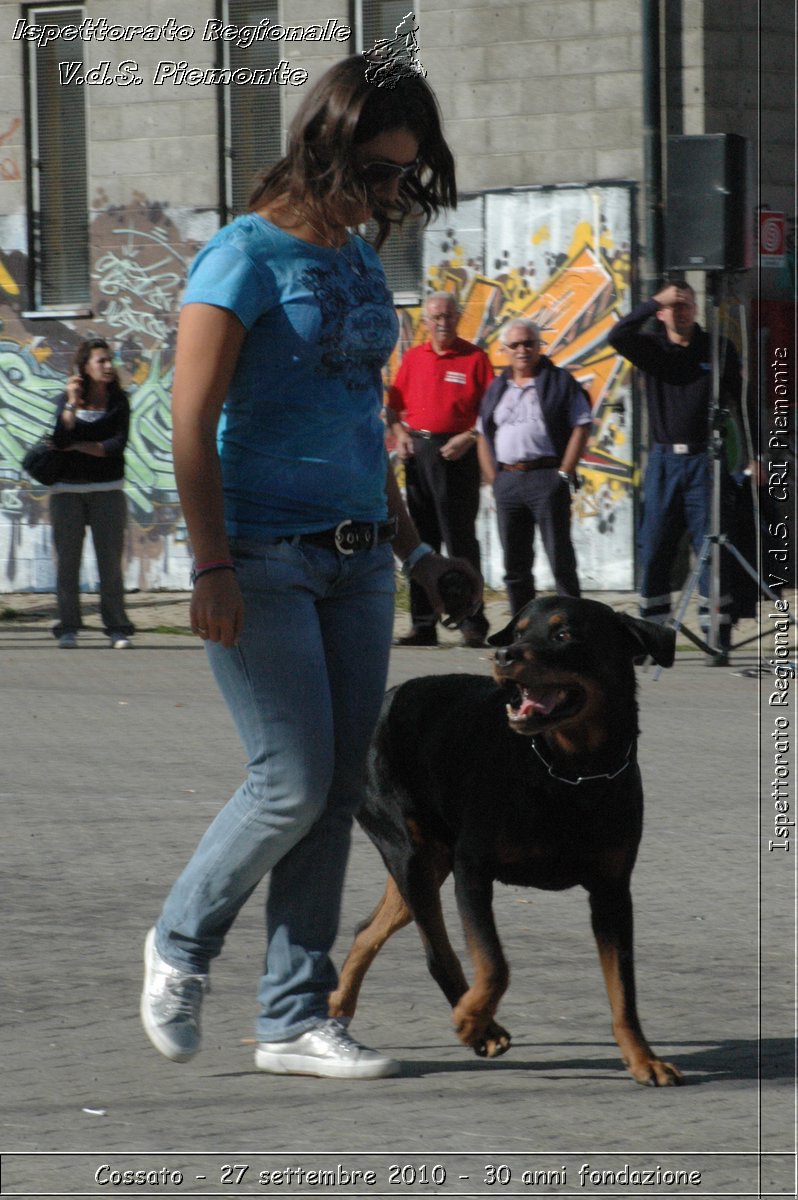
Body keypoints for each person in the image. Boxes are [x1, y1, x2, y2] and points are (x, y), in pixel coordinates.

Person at [139, 54, 480, 1081]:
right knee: (286, 782)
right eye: (379, 171)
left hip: (357, 561)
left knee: (336, 791)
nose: (390, 194)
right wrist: (209, 568)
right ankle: (178, 943)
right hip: (258, 556)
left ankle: (293, 1017)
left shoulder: (357, 262)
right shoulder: (240, 257)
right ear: (324, 144)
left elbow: (357, 424)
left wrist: (414, 547)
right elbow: (189, 425)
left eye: (404, 177)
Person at [607, 282, 743, 663]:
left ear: (696, 308)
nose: (681, 312)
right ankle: (652, 638)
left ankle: (717, 637)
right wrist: (652, 301)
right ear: (662, 313)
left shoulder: (717, 348)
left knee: (711, 550)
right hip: (664, 462)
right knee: (654, 549)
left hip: (705, 460)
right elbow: (615, 335)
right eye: (674, 306)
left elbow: (741, 402)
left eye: (687, 305)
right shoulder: (651, 347)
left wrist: (753, 455)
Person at [384, 293, 493, 646]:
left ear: (458, 318)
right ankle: (423, 623)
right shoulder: (414, 358)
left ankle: (471, 622)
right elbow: (393, 409)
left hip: (458, 455)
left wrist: (469, 437)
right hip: (420, 452)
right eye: (436, 317)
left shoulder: (475, 358)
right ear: (426, 322)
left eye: (448, 316)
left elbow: (491, 411)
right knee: (421, 541)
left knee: (461, 540)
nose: (442, 322)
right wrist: (400, 435)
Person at [477, 319, 592, 615]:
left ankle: (572, 625)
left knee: (560, 559)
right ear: (504, 350)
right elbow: (481, 433)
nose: (522, 350)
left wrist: (564, 474)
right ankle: (523, 631)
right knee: (515, 566)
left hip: (546, 478)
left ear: (539, 346)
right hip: (508, 482)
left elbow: (581, 425)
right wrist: (494, 481)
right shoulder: (497, 387)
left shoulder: (559, 381)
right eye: (515, 345)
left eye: (529, 343)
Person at [48, 338, 134, 650]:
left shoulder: (119, 402)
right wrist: (71, 402)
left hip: (108, 491)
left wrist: (81, 446)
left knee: (110, 564)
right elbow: (59, 439)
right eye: (101, 361)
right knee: (67, 564)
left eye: (110, 360)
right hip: (66, 493)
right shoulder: (65, 400)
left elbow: (115, 446)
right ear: (85, 366)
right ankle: (68, 627)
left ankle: (116, 627)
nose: (109, 366)